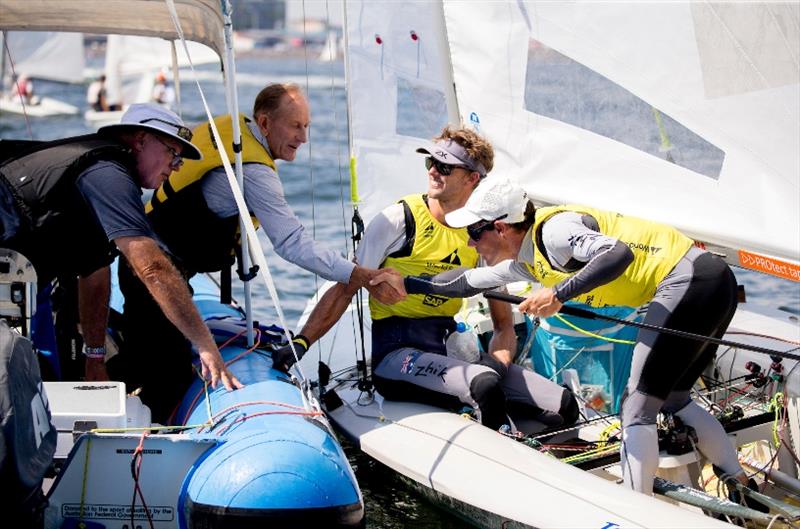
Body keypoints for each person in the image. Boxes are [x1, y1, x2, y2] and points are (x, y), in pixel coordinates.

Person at [373, 177, 754, 495]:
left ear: (501, 227)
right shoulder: (527, 261)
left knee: (636, 409)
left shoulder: (553, 233)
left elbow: (616, 253)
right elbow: (464, 283)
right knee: (673, 398)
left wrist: (557, 294)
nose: (471, 244)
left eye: (475, 232)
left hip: (690, 283)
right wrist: (404, 282)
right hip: (711, 285)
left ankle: (632, 513)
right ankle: (739, 483)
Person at [271, 127, 578, 430]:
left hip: (449, 348)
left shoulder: (482, 233)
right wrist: (301, 343)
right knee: (483, 387)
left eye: (444, 166)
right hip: (396, 355)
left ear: (473, 178)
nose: (433, 171)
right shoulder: (396, 221)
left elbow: (503, 327)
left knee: (564, 406)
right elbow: (344, 289)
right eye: (430, 162)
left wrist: (498, 365)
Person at [114, 83, 385, 421]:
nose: (304, 137)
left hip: (147, 266)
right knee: (166, 379)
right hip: (155, 274)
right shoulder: (252, 170)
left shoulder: (236, 131)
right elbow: (291, 242)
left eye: (306, 126)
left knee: (144, 358)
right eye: (295, 125)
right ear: (265, 123)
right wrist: (353, 272)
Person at [0, 103, 243, 416]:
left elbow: (96, 275)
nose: (177, 165)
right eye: (173, 152)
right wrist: (206, 346)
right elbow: (152, 267)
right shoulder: (108, 172)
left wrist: (94, 357)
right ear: (140, 140)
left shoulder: (102, 187)